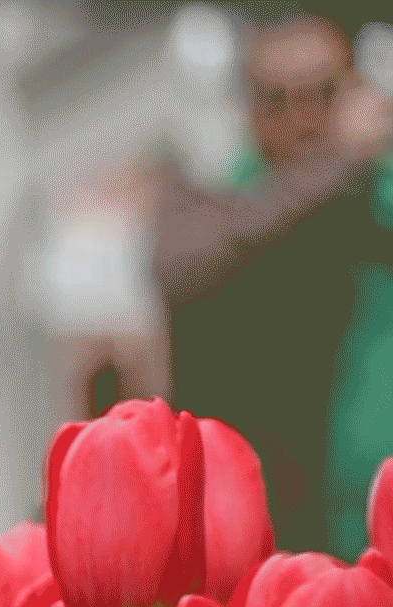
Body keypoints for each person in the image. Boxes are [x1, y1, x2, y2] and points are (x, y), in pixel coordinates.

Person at [156, 7, 393, 557]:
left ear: (362, 90)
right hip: (275, 551)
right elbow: (178, 260)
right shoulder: (239, 202)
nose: (301, 120)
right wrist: (337, 164)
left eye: (321, 96)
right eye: (275, 101)